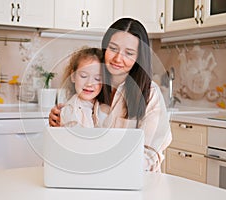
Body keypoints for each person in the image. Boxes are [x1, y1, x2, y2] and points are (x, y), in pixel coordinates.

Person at [49, 18, 172, 172]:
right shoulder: (92, 85)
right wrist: (60, 121)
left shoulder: (149, 93)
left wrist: (111, 167)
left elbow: (150, 153)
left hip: (134, 179)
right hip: (94, 178)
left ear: (138, 58)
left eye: (129, 53)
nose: (118, 59)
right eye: (113, 49)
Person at [60, 46, 108, 127]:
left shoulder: (100, 106)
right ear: (73, 76)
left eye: (97, 78)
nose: (89, 83)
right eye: (83, 76)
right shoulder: (71, 111)